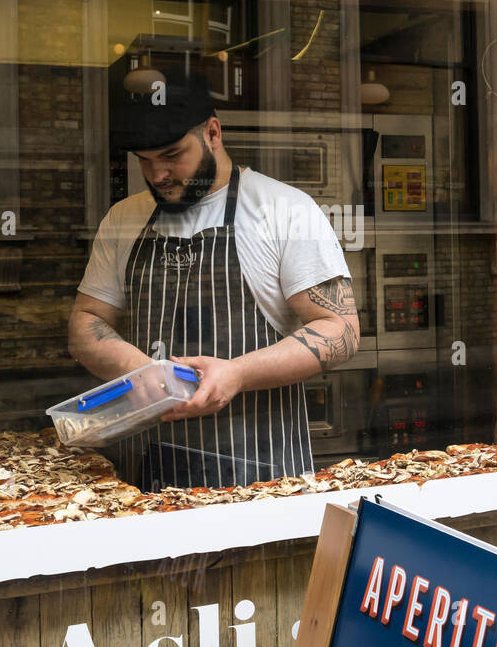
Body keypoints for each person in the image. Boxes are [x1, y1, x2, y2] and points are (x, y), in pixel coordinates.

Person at [69, 72, 359, 490]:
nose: (158, 174)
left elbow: (342, 329)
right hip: (150, 475)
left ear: (213, 132)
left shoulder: (284, 210)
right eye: (145, 160)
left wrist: (237, 373)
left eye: (172, 155)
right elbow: (85, 320)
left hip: (264, 473)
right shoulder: (124, 219)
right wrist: (141, 372)